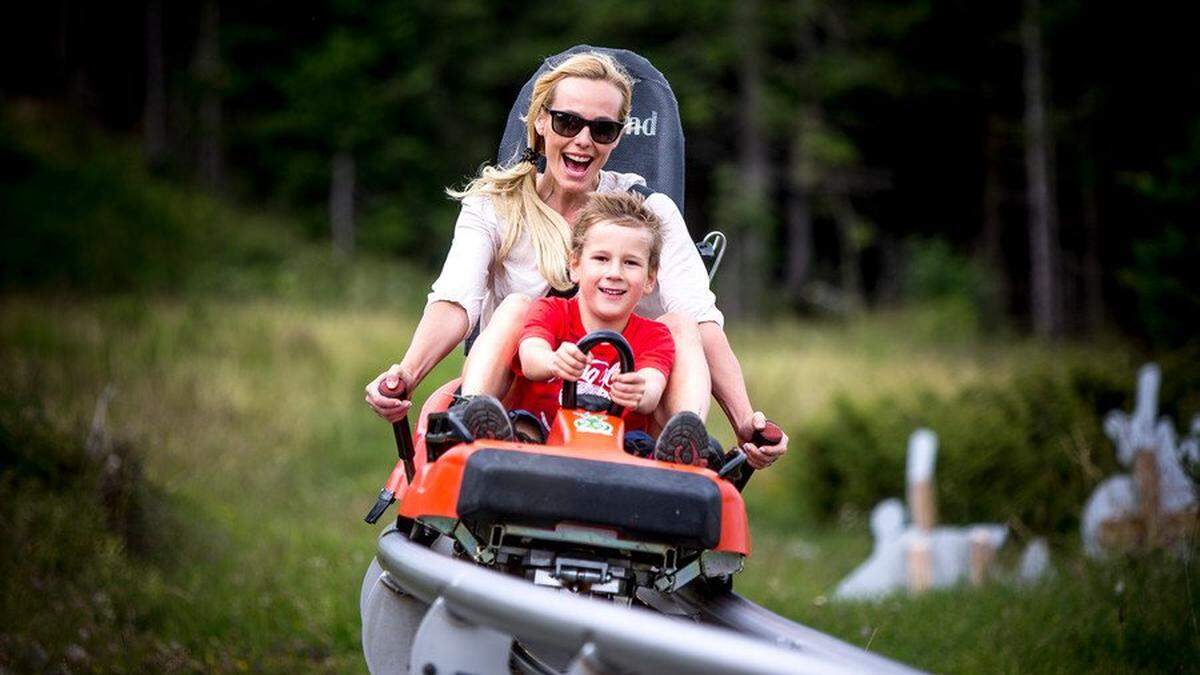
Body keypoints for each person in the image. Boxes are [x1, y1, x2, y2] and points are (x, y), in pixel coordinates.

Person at [365, 51, 786, 469]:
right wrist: (407, 374)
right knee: (517, 307)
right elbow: (456, 302)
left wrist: (746, 422)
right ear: (541, 122)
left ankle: (683, 441)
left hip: (628, 410)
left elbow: (701, 323)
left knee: (681, 326)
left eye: (603, 129)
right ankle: (479, 419)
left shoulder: (646, 214)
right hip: (523, 399)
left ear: (619, 137)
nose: (584, 139)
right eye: (568, 122)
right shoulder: (494, 205)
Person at [457, 191, 720, 467]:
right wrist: (553, 360)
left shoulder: (654, 335)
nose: (615, 273)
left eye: (630, 263)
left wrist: (639, 390)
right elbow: (531, 357)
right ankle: (471, 415)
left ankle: (686, 442)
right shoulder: (551, 311)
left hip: (619, 453)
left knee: (641, 444)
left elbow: (653, 385)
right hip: (540, 438)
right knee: (524, 424)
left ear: (649, 279)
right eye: (601, 259)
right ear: (574, 266)